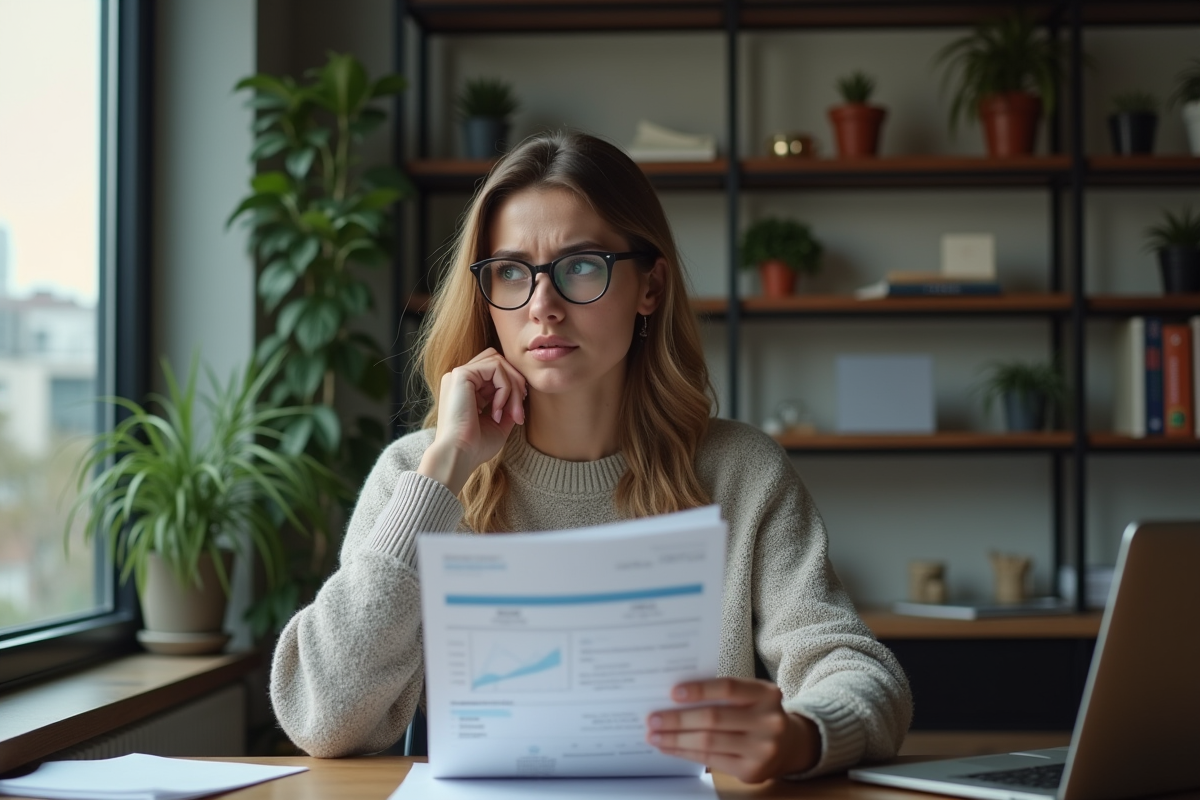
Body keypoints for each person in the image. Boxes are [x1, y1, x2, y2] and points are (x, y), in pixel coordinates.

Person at [270, 130, 912, 782]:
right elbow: (322, 718)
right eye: (512, 272)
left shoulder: (742, 472)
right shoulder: (419, 475)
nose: (542, 307)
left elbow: (861, 675)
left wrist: (801, 736)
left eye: (581, 265)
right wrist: (445, 470)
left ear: (650, 287)